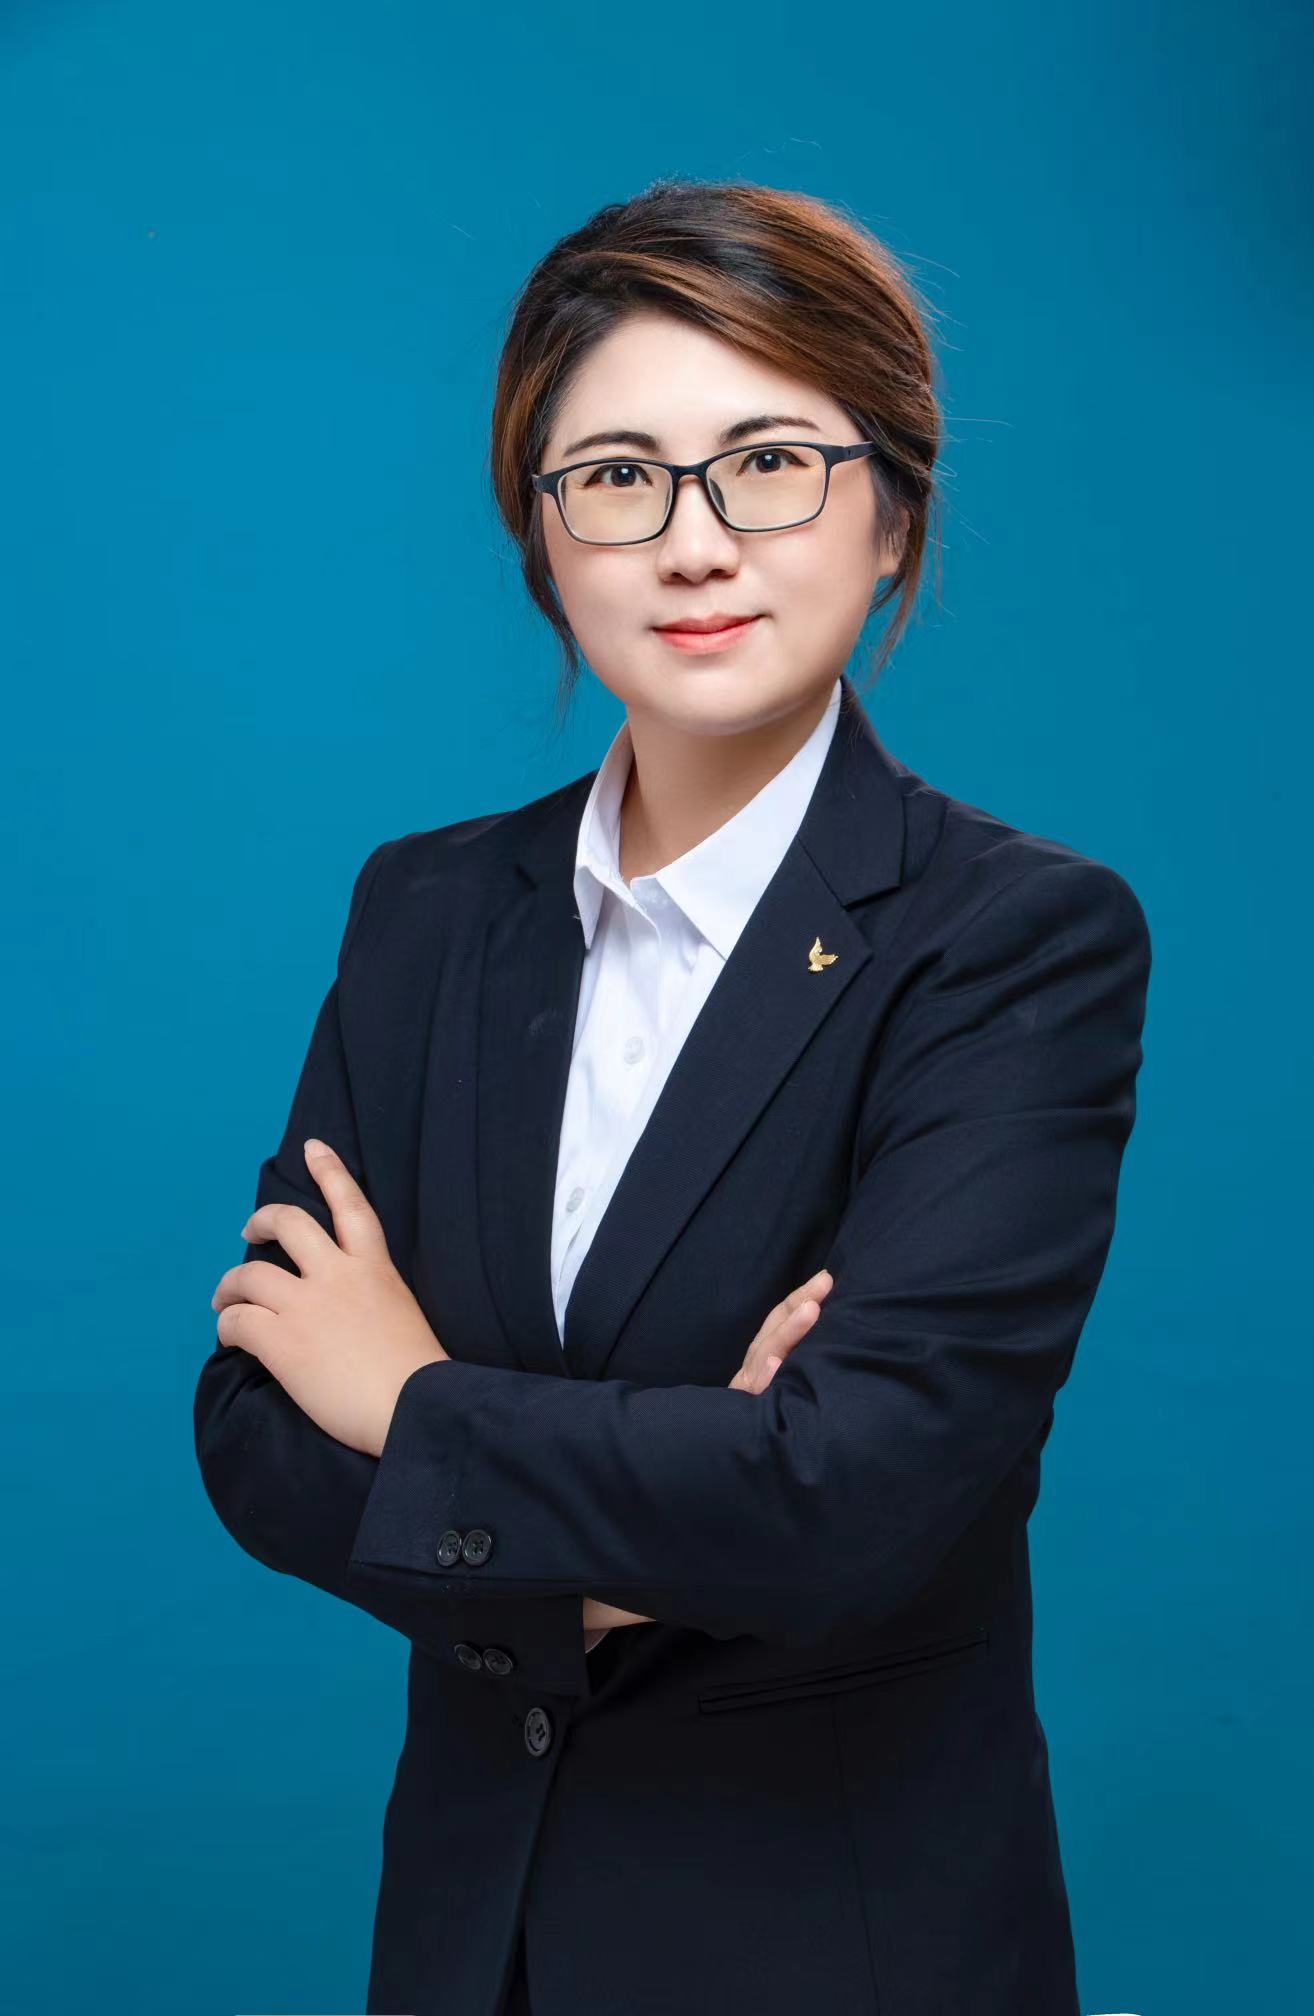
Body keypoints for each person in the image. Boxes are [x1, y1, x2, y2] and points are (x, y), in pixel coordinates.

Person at [195, 178, 1151, 2016]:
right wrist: (682, 1509)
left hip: (833, 1959)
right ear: (543, 538)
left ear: (893, 513)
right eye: (619, 476)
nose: (695, 543)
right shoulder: (426, 912)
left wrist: (406, 1399)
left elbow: (849, 1502)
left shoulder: (1014, 940)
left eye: (770, 463)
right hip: (469, 1952)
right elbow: (252, 1428)